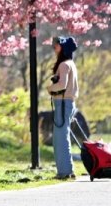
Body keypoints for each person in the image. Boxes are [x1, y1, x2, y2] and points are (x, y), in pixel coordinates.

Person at [46, 36, 79, 180]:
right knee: (62, 136)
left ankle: (65, 172)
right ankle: (67, 170)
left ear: (63, 48)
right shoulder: (71, 64)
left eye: (57, 45)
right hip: (68, 102)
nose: (54, 47)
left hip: (62, 103)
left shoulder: (64, 65)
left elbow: (62, 85)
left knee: (60, 138)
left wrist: (50, 88)